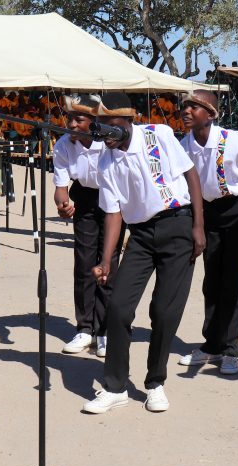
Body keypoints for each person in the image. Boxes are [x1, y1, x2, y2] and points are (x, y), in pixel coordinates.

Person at [81, 93, 206, 414]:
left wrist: (198, 225)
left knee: (164, 312)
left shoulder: (159, 135)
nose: (105, 132)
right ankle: (115, 387)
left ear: (127, 121)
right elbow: (113, 213)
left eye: (111, 125)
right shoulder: (105, 162)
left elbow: (191, 174)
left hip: (178, 226)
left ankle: (155, 383)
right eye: (100, 126)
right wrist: (107, 259)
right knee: (119, 309)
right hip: (140, 236)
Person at [177, 89, 238, 376]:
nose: (187, 111)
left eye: (194, 107)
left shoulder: (232, 140)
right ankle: (211, 345)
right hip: (208, 211)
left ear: (210, 114)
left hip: (237, 208)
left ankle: (230, 349)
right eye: (185, 107)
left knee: (231, 277)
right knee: (211, 278)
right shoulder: (184, 144)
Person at [53, 93, 122, 358]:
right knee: (83, 262)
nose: (71, 124)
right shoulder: (63, 145)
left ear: (94, 122)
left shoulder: (110, 143)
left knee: (108, 263)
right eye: (69, 118)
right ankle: (84, 328)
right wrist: (63, 203)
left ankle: (104, 331)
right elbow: (61, 187)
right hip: (84, 197)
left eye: (78, 119)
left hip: (114, 199)